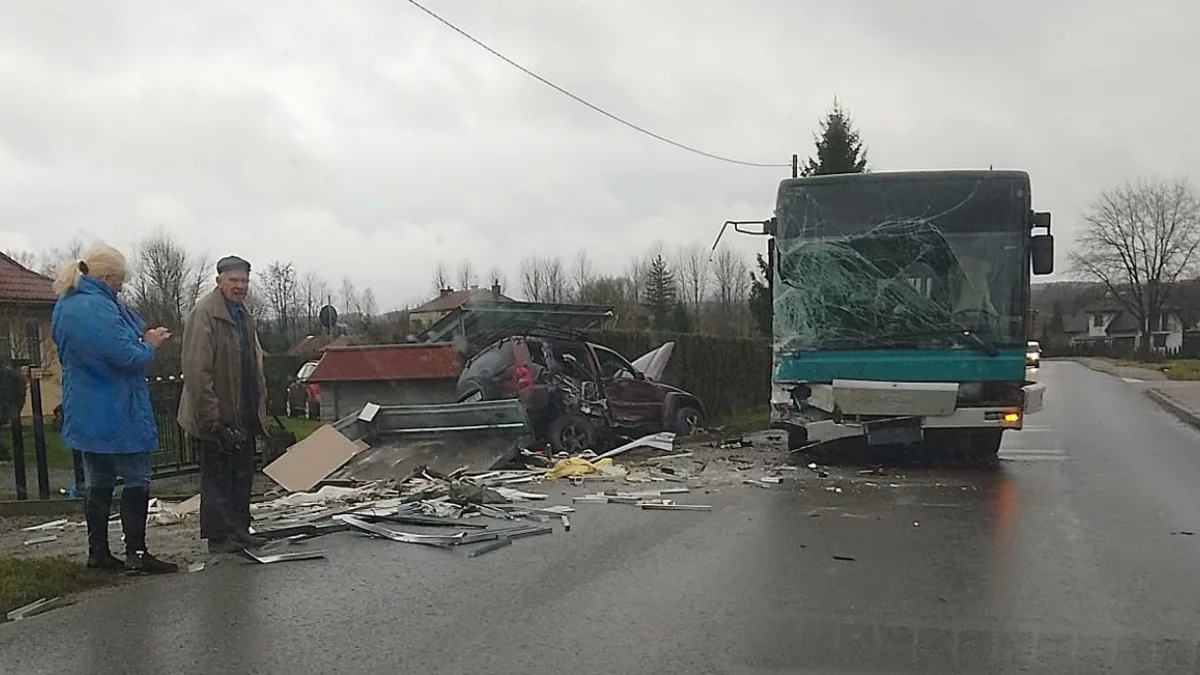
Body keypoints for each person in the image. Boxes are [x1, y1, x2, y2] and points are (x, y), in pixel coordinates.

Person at [51, 244, 178, 574]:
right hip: (118, 406)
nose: (122, 287)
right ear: (107, 277)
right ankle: (136, 551)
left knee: (98, 479)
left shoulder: (65, 305)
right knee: (136, 477)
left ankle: (98, 551)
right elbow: (127, 357)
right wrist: (149, 344)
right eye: (120, 281)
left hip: (83, 406)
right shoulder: (101, 308)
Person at [178, 255, 269, 553]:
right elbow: (196, 369)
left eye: (244, 281)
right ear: (219, 281)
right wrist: (211, 417)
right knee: (217, 476)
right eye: (234, 280)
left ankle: (240, 529)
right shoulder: (204, 314)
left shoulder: (244, 315)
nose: (240, 286)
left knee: (241, 474)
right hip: (215, 411)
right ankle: (219, 537)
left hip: (242, 407)